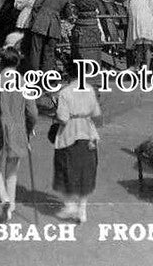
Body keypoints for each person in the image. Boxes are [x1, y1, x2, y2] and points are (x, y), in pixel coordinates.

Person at [0, 48, 39, 222]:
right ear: (17, 62)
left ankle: (3, 199)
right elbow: (32, 112)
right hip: (18, 129)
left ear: (0, 62)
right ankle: (10, 206)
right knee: (12, 170)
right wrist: (29, 129)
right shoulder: (24, 82)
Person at [50, 61, 102, 223]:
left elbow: (63, 118)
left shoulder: (64, 92)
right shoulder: (90, 90)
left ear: (68, 73)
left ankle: (70, 205)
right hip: (88, 133)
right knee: (86, 172)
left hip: (69, 134)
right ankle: (82, 209)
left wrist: (55, 109)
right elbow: (96, 114)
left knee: (66, 169)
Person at [27, 0, 74, 72]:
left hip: (41, 20)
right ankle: (46, 75)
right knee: (49, 52)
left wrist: (34, 19)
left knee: (36, 50)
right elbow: (67, 13)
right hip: (54, 24)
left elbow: (36, 5)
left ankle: (34, 74)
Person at [125, 0, 153, 70]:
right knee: (147, 47)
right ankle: (147, 68)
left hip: (137, 23)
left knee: (139, 47)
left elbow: (128, 9)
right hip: (147, 22)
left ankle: (137, 66)